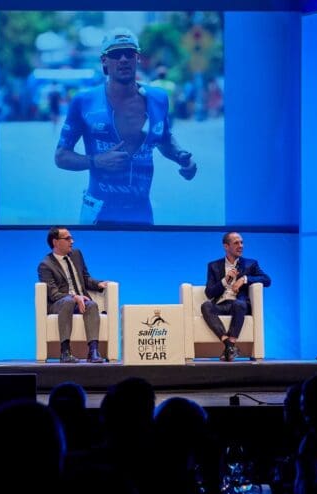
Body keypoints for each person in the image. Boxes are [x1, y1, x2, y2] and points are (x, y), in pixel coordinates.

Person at [55, 27, 197, 226]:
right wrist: (96, 161)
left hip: (141, 213)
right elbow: (61, 157)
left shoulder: (158, 98)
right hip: (99, 213)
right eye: (115, 54)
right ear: (104, 60)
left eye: (129, 53)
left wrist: (182, 157)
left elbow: (163, 138)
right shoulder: (84, 101)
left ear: (137, 58)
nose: (123, 59)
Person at [38, 226, 108, 363]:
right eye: (67, 238)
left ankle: (93, 351)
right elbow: (53, 294)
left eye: (71, 238)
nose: (72, 241)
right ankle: (65, 352)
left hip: (82, 301)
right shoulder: (45, 265)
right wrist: (74, 297)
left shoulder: (76, 255)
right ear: (55, 242)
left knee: (92, 305)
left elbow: (85, 278)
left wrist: (99, 284)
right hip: (60, 303)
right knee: (69, 302)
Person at [200, 232, 271, 362]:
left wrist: (244, 279)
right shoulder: (213, 266)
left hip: (239, 305)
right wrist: (225, 280)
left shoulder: (251, 264)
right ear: (226, 246)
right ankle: (230, 345)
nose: (241, 246)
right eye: (236, 243)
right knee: (206, 305)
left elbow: (267, 280)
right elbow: (209, 293)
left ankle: (229, 346)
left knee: (239, 304)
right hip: (221, 304)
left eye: (242, 242)